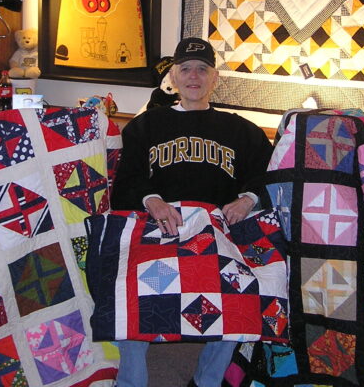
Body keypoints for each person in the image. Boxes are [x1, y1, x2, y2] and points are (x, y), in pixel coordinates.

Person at [110, 37, 274, 387]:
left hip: (215, 231)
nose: (194, 77)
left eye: (203, 69)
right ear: (173, 76)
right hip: (158, 228)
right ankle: (131, 381)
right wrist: (151, 199)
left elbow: (270, 174)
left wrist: (247, 199)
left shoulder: (241, 130)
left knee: (242, 292)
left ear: (216, 78)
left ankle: (207, 381)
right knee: (128, 291)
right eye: (186, 69)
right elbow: (125, 183)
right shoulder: (145, 126)